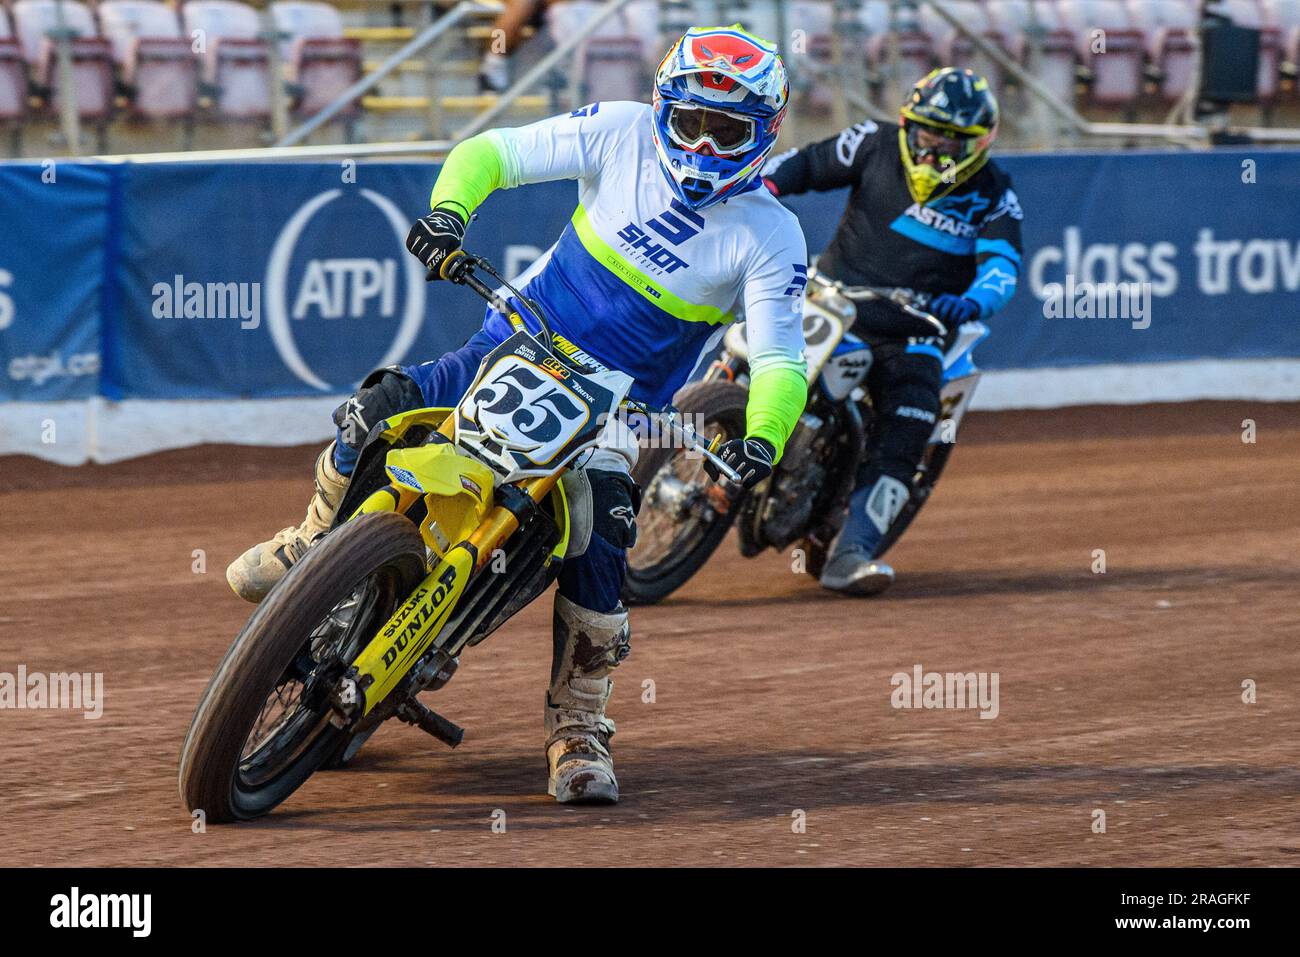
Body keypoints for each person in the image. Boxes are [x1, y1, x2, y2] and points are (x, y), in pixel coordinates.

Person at [227, 26, 809, 804]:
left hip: (614, 408)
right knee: (376, 409)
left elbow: (779, 361)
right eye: (689, 123)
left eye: (726, 131)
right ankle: (312, 540)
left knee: (603, 538)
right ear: (663, 109)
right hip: (509, 340)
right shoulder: (622, 129)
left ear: (763, 135)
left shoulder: (772, 234)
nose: (702, 147)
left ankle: (580, 723)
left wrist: (765, 436)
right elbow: (492, 154)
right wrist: (448, 214)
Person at [763, 67, 1023, 596]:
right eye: (929, 133)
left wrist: (972, 302)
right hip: (829, 297)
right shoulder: (873, 142)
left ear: (979, 143)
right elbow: (804, 165)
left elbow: (1003, 266)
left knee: (913, 417)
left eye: (953, 140)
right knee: (742, 335)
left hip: (916, 330)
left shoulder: (995, 191)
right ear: (909, 125)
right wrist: (757, 190)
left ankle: (852, 552)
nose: (937, 150)